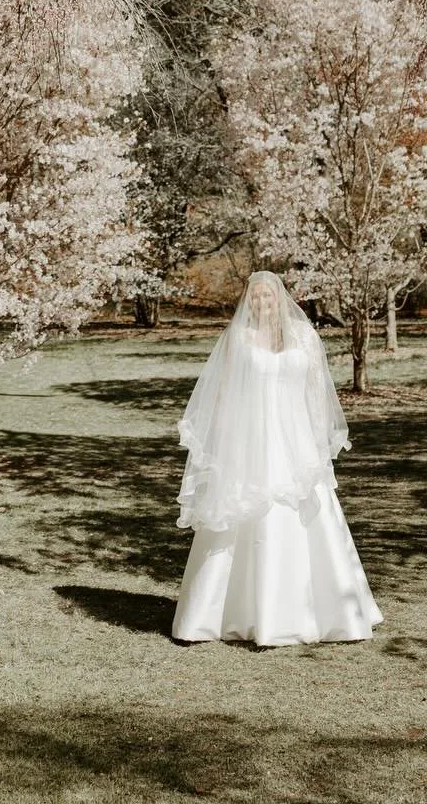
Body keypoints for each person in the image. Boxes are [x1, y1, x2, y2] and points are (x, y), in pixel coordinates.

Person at [171, 270, 383, 646]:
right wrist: (223, 444)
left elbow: (317, 391)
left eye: (268, 297)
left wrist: (318, 441)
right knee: (246, 517)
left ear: (280, 299)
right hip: (252, 440)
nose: (262, 304)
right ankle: (231, 613)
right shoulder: (237, 338)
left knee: (309, 517)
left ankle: (328, 610)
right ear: (248, 301)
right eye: (255, 298)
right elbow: (222, 393)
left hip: (296, 441)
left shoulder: (304, 337)